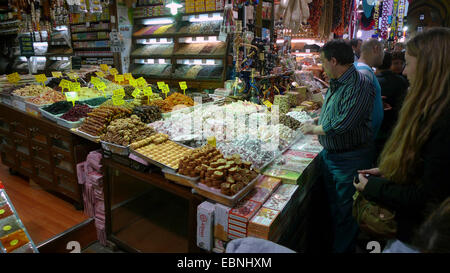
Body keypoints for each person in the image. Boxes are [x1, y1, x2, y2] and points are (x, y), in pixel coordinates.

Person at [354, 27, 450, 248]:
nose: (404, 72)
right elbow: (426, 169)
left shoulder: (443, 120)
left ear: (430, 67)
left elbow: (428, 197)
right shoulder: (433, 110)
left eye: (408, 62)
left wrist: (371, 188)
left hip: (422, 239)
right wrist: (389, 171)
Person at [300, 39, 375, 253]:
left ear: (333, 61)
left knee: (346, 213)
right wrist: (316, 121)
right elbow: (331, 114)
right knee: (334, 208)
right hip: (332, 156)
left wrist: (314, 130)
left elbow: (343, 123)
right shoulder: (337, 82)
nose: (322, 67)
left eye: (323, 62)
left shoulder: (359, 84)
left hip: (349, 159)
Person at [374, 51, 408, 157]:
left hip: (377, 130)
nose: (399, 66)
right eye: (395, 63)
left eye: (400, 63)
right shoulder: (402, 81)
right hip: (395, 128)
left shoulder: (374, 81)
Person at [355, 39, 384, 139]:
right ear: (376, 49)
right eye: (382, 50)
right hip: (364, 137)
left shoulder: (359, 67)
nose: (383, 55)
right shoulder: (364, 71)